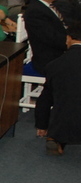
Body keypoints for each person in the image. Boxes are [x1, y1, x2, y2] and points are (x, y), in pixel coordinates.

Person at [35, 22, 81, 155]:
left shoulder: (54, 65)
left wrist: (42, 125)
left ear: (68, 38)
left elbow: (45, 99)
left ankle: (54, 139)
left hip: (65, 123)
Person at [23, 0, 68, 76]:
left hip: (61, 54)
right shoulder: (35, 12)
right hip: (49, 61)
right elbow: (52, 39)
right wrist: (74, 43)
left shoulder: (51, 6)